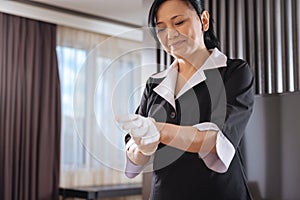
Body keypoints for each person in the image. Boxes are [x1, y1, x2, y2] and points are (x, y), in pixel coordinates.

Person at [116, 0, 254, 199]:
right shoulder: (154, 84)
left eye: (179, 22)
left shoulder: (233, 73)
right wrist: (142, 146)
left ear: (203, 20)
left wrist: (159, 131)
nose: (170, 34)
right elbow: (135, 157)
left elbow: (218, 140)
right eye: (161, 28)